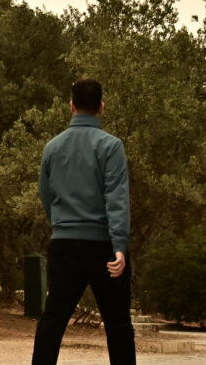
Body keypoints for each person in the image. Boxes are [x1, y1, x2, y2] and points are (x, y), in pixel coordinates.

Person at [32, 79, 135, 365]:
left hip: (64, 243)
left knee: (53, 318)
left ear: (71, 105)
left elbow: (45, 194)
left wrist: (61, 225)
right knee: (117, 322)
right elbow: (116, 197)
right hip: (103, 246)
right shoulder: (111, 146)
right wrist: (119, 245)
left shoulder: (52, 147)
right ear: (101, 106)